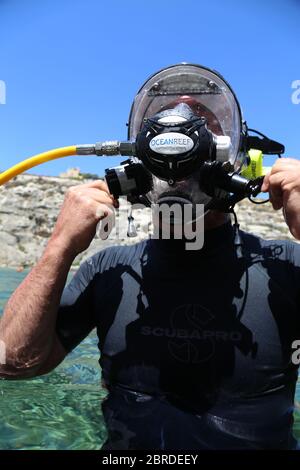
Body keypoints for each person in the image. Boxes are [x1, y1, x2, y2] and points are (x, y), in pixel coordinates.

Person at [1, 64, 300, 450]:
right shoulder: (107, 269)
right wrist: (59, 246)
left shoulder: (285, 266)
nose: (180, 131)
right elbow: (12, 364)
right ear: (137, 154)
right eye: (162, 122)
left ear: (239, 155)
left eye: (204, 121)